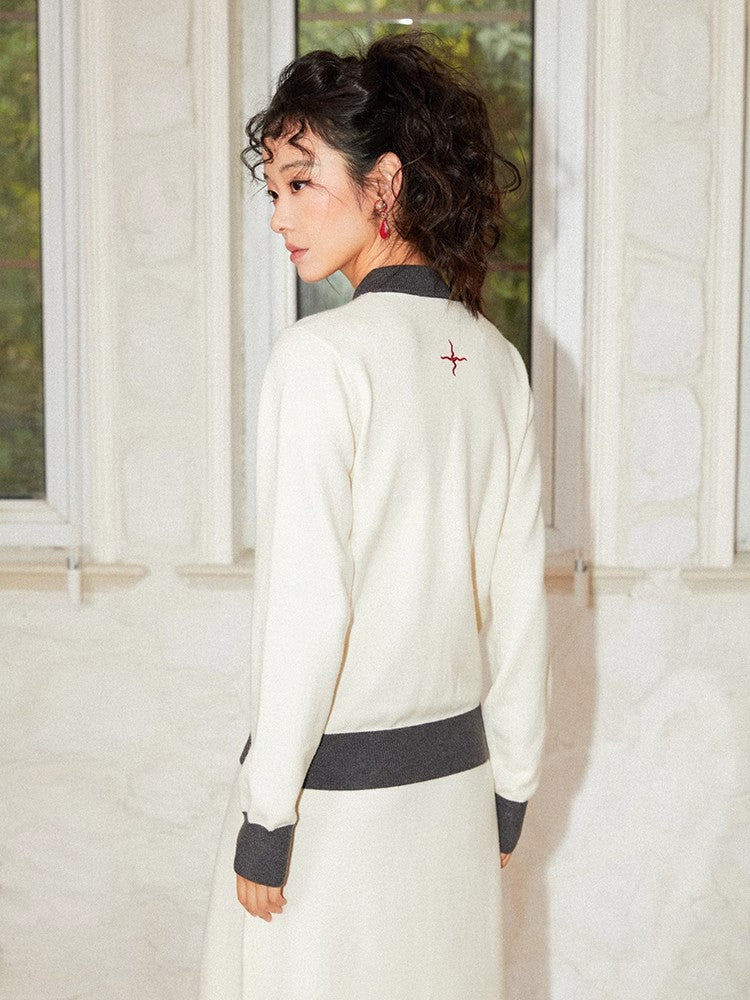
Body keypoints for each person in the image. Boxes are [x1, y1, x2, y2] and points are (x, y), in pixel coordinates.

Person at [199, 30, 550, 1000]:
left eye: (301, 182)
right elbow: (519, 601)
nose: (279, 215)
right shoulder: (498, 363)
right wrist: (513, 786)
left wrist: (268, 812)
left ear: (385, 182)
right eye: (273, 188)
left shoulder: (320, 358)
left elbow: (308, 605)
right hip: (455, 803)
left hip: (331, 817)